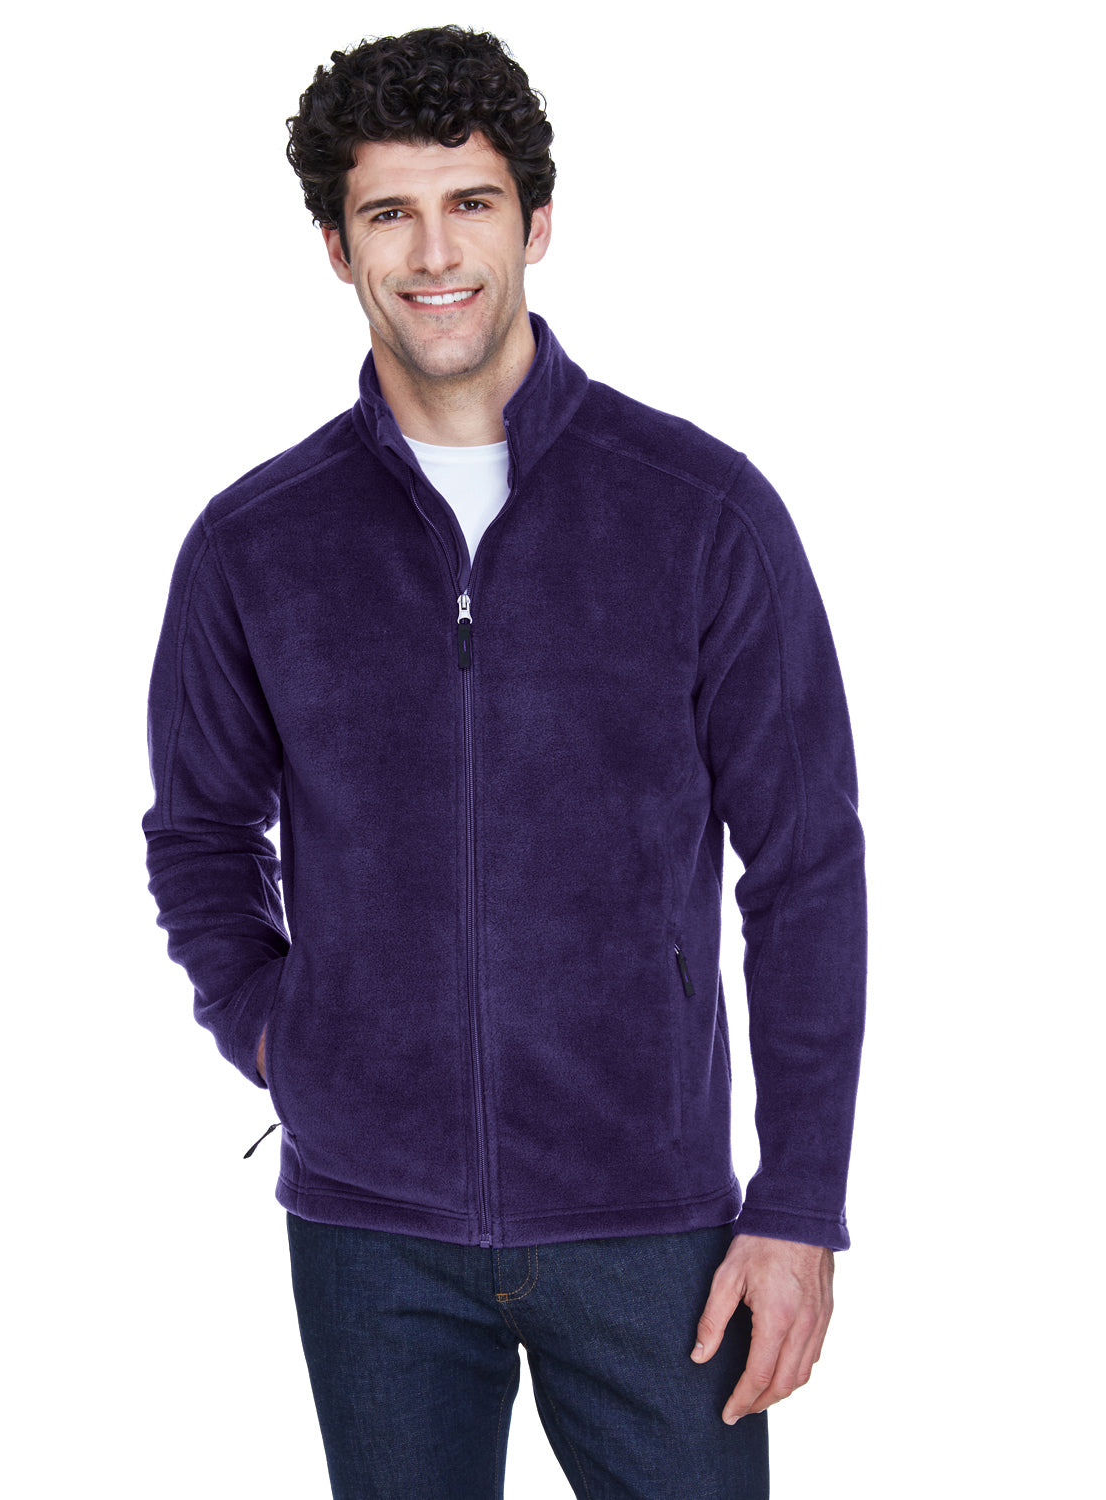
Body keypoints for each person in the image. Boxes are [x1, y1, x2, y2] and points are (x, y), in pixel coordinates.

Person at [142, 25, 866, 1500]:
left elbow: (805, 869)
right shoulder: (256, 544)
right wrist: (287, 1037)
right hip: (371, 1235)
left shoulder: (701, 513)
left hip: (651, 1219)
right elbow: (200, 839)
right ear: (336, 248)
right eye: (388, 213)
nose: (434, 253)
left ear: (536, 223)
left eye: (469, 202)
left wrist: (799, 1203)